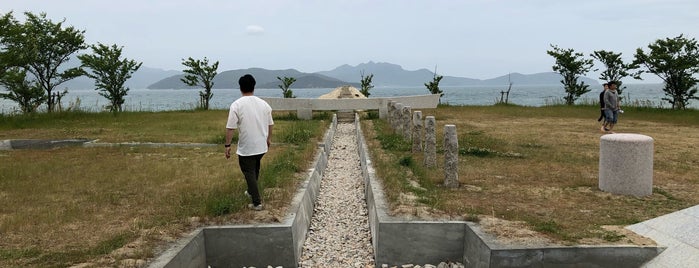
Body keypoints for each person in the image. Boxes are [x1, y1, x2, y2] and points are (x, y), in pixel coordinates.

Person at [224, 74, 274, 211]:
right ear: (254, 86)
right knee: (255, 168)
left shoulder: (237, 105)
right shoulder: (264, 104)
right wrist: (269, 139)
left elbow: (230, 127)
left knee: (248, 171)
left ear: (240, 87)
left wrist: (227, 145)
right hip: (262, 145)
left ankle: (257, 202)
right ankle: (251, 191)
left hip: (247, 146)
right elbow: (271, 124)